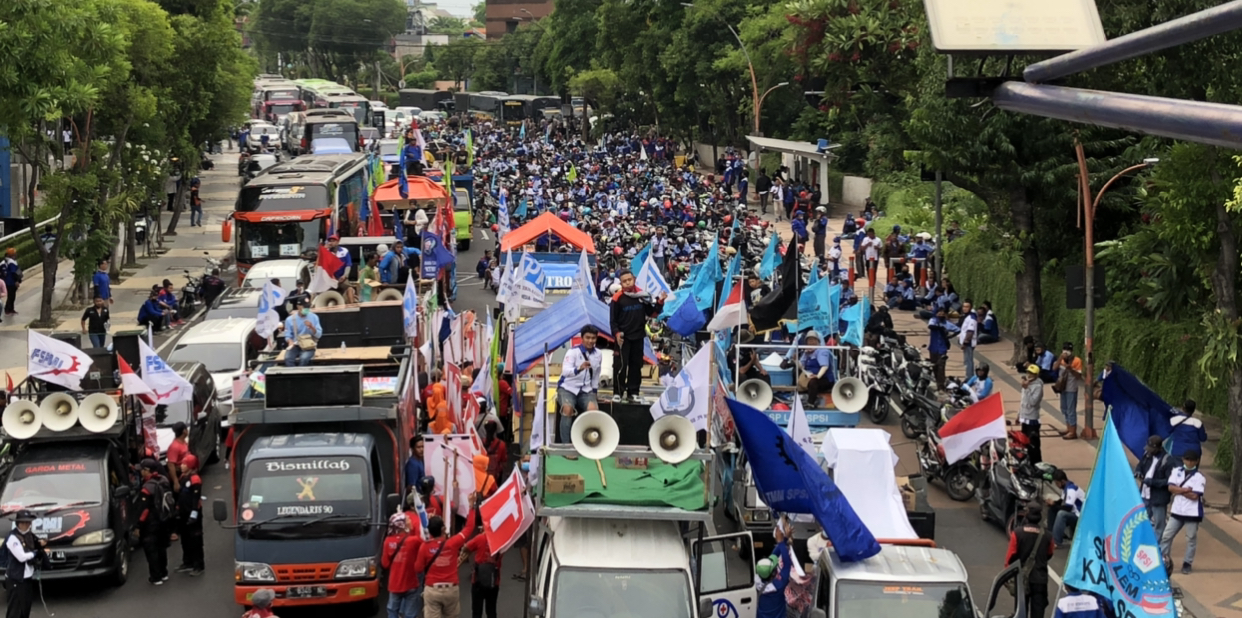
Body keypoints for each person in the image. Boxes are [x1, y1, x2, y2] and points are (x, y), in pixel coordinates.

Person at [414, 498, 479, 618]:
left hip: (432, 590)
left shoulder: (424, 547)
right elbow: (469, 528)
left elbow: (418, 568)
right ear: (443, 529)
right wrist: (471, 507)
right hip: (451, 590)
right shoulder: (453, 543)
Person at [610, 271, 663, 403]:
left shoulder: (642, 296)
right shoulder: (617, 298)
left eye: (629, 279)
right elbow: (613, 321)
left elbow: (652, 314)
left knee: (636, 366)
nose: (627, 282)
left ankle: (633, 392)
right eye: (624, 281)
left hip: (638, 337)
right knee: (620, 366)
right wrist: (616, 334)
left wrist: (660, 302)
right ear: (621, 283)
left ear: (634, 279)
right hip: (623, 338)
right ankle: (618, 392)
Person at [1005, 503, 1054, 618]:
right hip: (1040, 580)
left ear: (1026, 515)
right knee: (1038, 612)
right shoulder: (1047, 535)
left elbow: (1010, 557)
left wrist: (1007, 577)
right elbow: (1050, 553)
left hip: (1022, 579)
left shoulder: (1017, 533)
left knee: (1021, 611)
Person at [1161, 449, 1205, 575]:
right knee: (1166, 536)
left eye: (1192, 460)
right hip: (1177, 511)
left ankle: (1187, 563)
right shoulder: (1176, 471)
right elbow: (1170, 488)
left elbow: (1195, 496)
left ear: (1196, 462)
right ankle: (1164, 560)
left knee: (1191, 538)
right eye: (1187, 459)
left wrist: (1179, 490)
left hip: (1192, 513)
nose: (1189, 462)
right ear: (1183, 460)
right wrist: (1186, 490)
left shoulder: (1199, 477)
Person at [557, 325, 603, 443]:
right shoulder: (572, 352)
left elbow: (596, 373)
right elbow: (565, 372)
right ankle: (566, 446)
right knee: (567, 409)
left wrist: (594, 391)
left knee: (593, 411)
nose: (590, 341)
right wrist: (579, 368)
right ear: (582, 338)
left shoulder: (598, 353)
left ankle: (588, 442)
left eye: (593, 338)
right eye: (587, 337)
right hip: (567, 388)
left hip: (586, 390)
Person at [5, 510, 47, 618]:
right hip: (16, 579)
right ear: (18, 523)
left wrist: (40, 544)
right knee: (14, 611)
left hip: (27, 578)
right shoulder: (13, 538)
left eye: (28, 523)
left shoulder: (29, 535)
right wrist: (35, 554)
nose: (26, 525)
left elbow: (36, 543)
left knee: (25, 608)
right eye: (23, 523)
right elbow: (21, 557)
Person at [381, 512, 423, 618]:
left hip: (394, 584)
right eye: (407, 520)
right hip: (411, 583)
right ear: (402, 525)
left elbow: (385, 564)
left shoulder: (387, 541)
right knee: (410, 614)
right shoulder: (413, 541)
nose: (410, 521)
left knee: (392, 611)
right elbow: (425, 540)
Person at [138, 458, 171, 584]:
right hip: (164, 520)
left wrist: (138, 526)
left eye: (142, 470)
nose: (141, 472)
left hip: (151, 524)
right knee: (162, 547)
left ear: (147, 471)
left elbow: (144, 510)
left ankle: (156, 577)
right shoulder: (163, 480)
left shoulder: (146, 488)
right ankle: (164, 573)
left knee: (151, 550)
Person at [1135, 435, 1175, 540]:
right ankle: (1142, 542)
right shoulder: (1147, 455)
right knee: (1141, 522)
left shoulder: (1168, 460)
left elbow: (1169, 481)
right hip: (1144, 495)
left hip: (1158, 498)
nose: (1149, 451)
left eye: (1152, 449)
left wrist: (1152, 482)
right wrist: (1138, 471)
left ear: (1158, 448)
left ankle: (1158, 547)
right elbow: (1140, 465)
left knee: (1159, 524)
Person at [755, 523, 793, 618]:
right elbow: (787, 563)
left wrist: (783, 540)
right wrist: (780, 542)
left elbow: (774, 556)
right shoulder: (778, 586)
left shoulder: (757, 580)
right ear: (772, 573)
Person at [175, 454, 204, 576]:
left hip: (193, 515)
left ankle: (198, 565)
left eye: (184, 464)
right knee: (185, 539)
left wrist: (194, 514)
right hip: (183, 513)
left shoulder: (195, 479)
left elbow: (195, 498)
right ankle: (187, 562)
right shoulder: (183, 477)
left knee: (195, 540)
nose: (181, 466)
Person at [462, 528, 501, 618]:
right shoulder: (499, 541)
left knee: (476, 611)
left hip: (478, 580)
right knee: (491, 611)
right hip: (493, 580)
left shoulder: (480, 538)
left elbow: (466, 547)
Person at [1049, 470, 1085, 547]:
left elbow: (1068, 507)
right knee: (1052, 509)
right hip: (1073, 513)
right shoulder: (1065, 488)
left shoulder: (1071, 489)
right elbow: (1060, 501)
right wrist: (1053, 504)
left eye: (1057, 483)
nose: (1057, 485)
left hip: (1079, 516)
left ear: (1062, 481)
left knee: (1061, 514)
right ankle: (1050, 536)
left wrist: (1056, 506)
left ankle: (1056, 541)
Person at [1056, 343, 1084, 440]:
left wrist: (1070, 369)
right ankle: (1068, 428)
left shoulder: (1077, 361)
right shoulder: (1062, 359)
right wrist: (1060, 358)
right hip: (1062, 387)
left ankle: (1073, 431)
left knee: (1071, 410)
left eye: (1068, 350)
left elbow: (1079, 376)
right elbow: (1054, 367)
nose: (1066, 351)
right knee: (1064, 408)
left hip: (1071, 388)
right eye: (1064, 349)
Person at [283, 300, 321, 367]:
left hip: (309, 345)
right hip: (296, 345)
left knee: (304, 359)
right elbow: (288, 335)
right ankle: (293, 375)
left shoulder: (314, 317)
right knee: (288, 358)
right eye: (304, 307)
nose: (306, 309)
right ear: (298, 307)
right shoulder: (289, 320)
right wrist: (290, 341)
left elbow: (319, 334)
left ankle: (300, 375)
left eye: (308, 307)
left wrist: (312, 327)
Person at [1019, 364, 1044, 464]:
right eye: (1029, 372)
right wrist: (1019, 414)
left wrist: (1027, 389)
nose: (1029, 375)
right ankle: (1027, 461)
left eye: (1032, 373)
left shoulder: (1038, 387)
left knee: (1033, 444)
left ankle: (1036, 463)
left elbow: (1033, 402)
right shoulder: (1026, 383)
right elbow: (1022, 400)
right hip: (1024, 417)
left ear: (1037, 375)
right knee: (1024, 442)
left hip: (1032, 419)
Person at [166, 421, 190, 489]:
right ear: (184, 431)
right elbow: (171, 465)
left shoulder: (184, 442)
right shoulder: (174, 446)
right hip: (179, 475)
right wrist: (176, 482)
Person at [958, 304, 978, 375]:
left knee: (968, 361)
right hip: (966, 343)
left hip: (969, 343)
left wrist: (965, 343)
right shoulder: (966, 316)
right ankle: (969, 375)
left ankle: (969, 376)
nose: (965, 308)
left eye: (967, 307)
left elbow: (970, 332)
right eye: (963, 306)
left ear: (971, 308)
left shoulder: (972, 318)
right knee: (967, 360)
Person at [1, 248, 19, 316]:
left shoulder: (10, 261)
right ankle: (8, 309)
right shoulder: (11, 262)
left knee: (12, 296)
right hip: (10, 282)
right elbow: (13, 272)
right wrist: (16, 281)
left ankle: (11, 309)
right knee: (11, 296)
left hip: (10, 282)